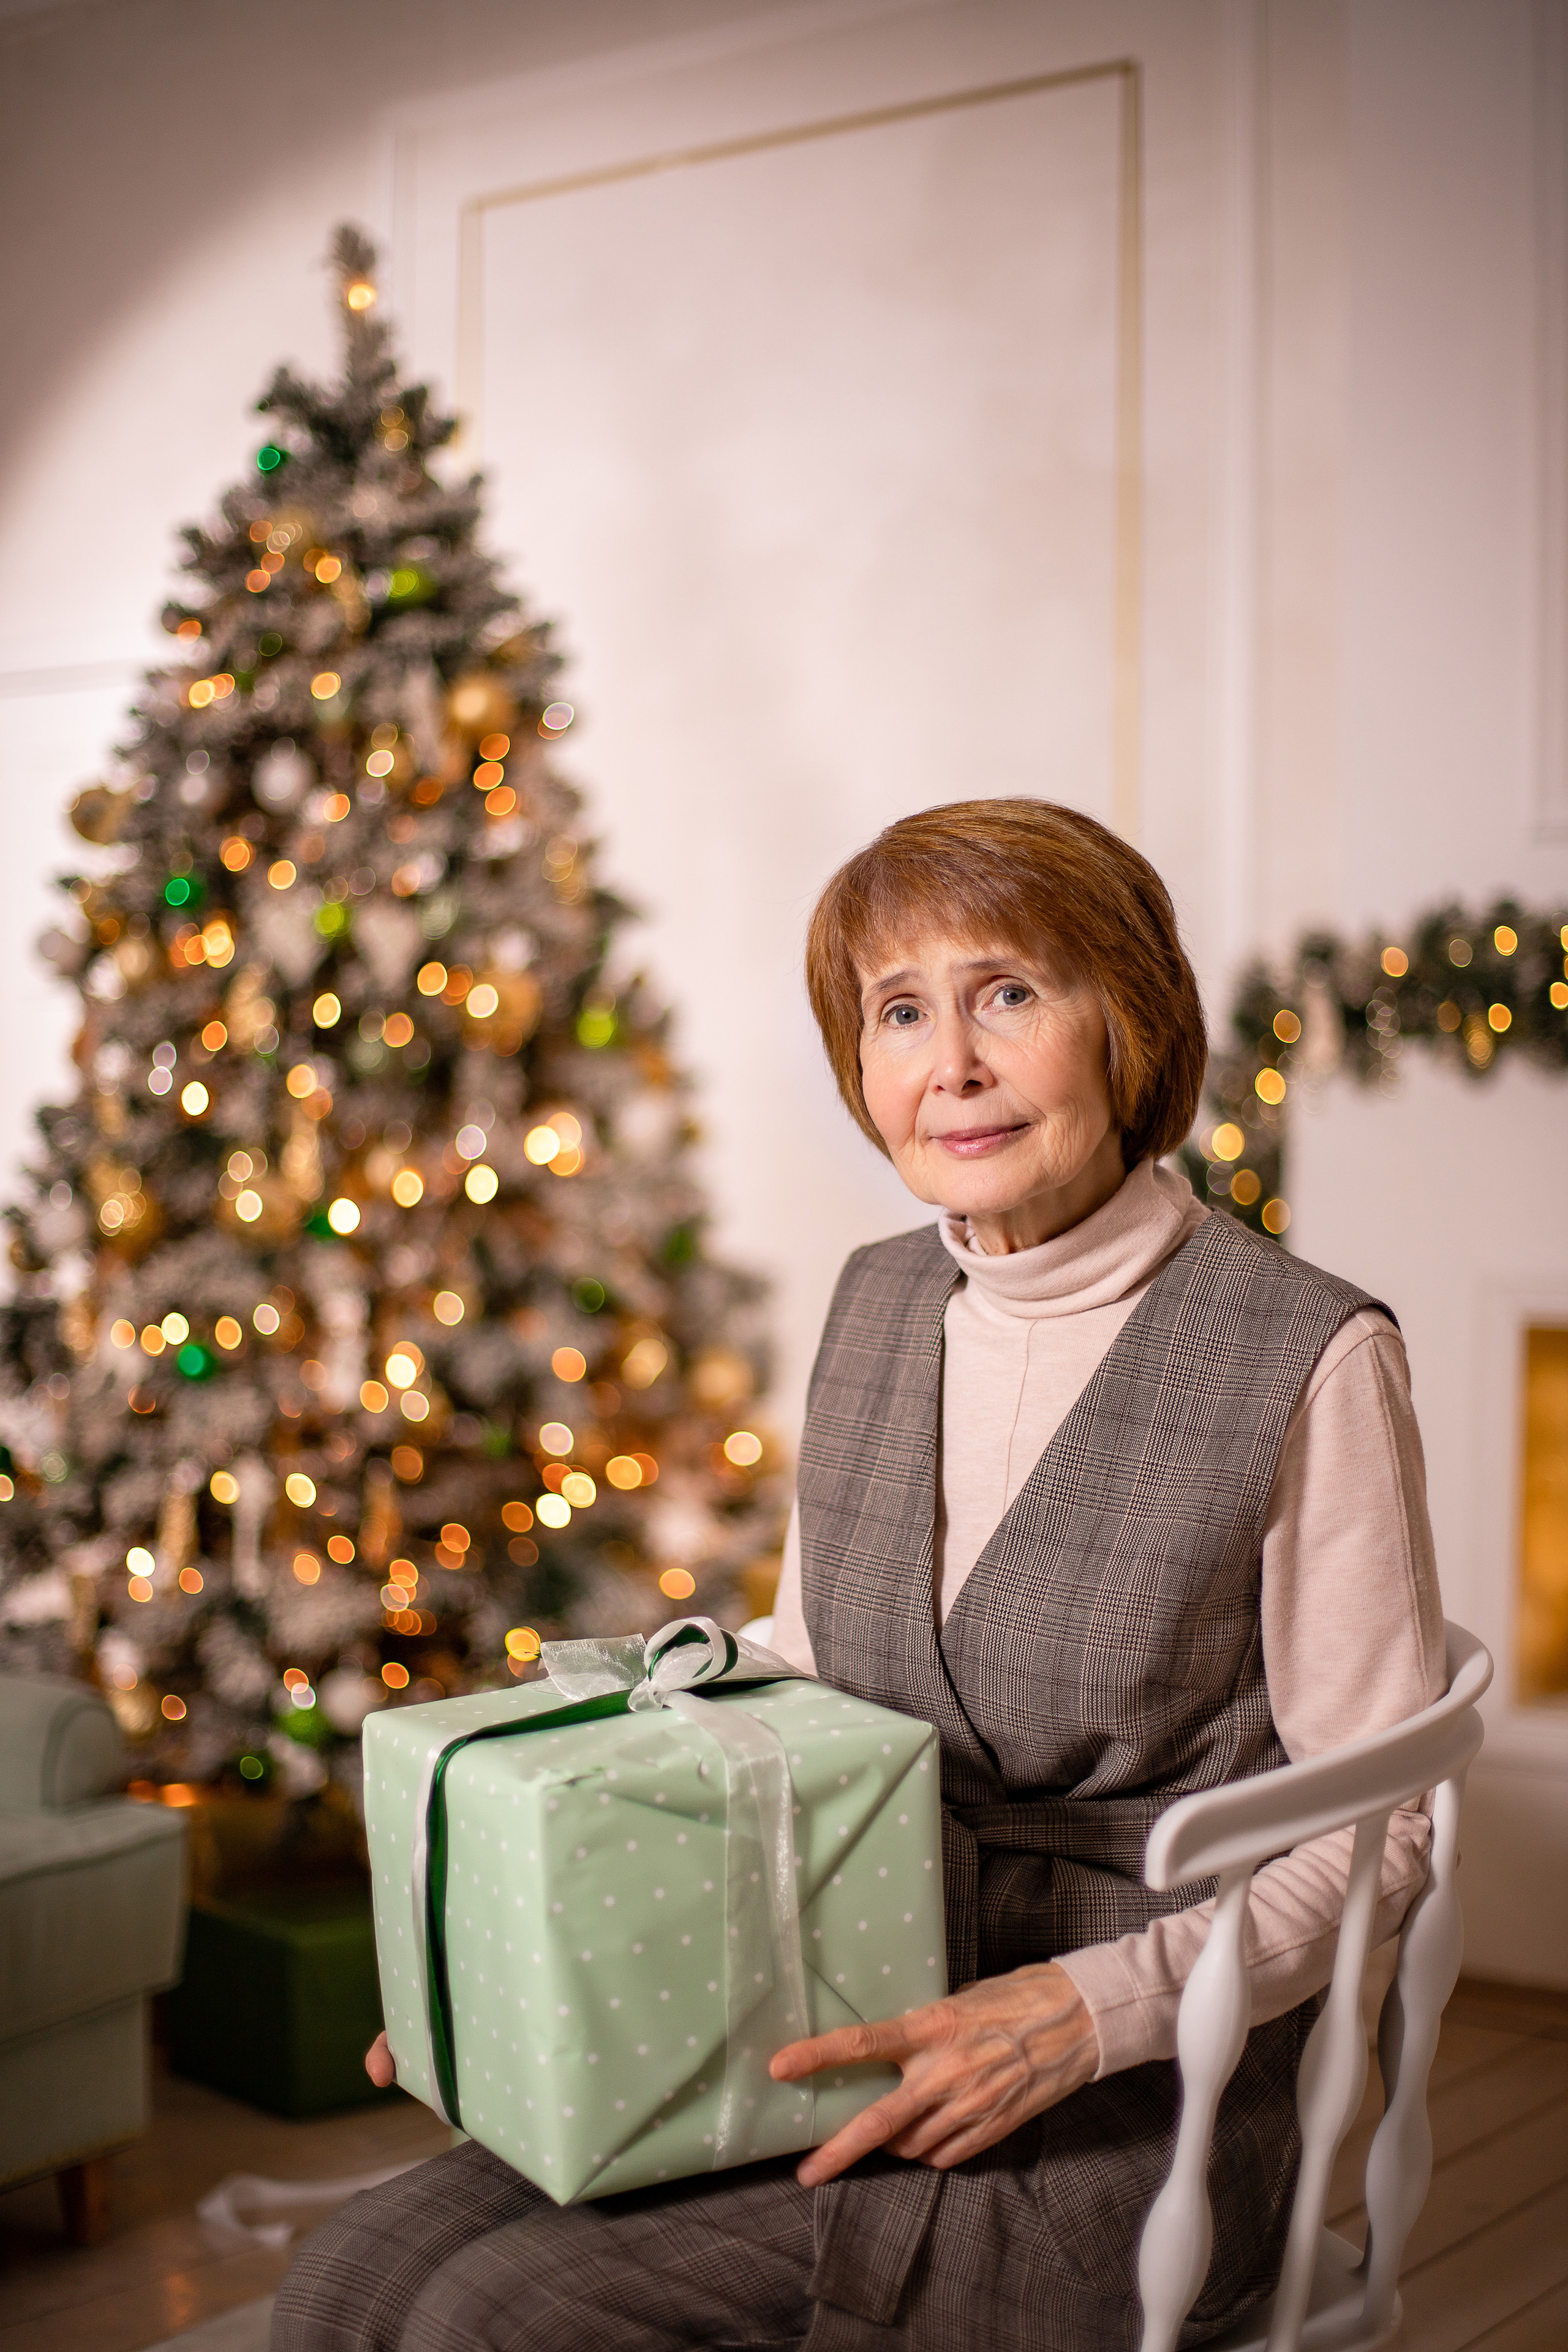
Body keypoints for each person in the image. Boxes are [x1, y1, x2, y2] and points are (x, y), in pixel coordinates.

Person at [274, 800, 1442, 2352]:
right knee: (354, 2275)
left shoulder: (1304, 1352)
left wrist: (1089, 2011)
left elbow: (1385, 1817)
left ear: (1131, 1024)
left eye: (1009, 994)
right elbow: (807, 1673)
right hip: (843, 1958)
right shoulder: (877, 1302)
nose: (949, 1063)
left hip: (1142, 2071)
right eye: (900, 1012)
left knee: (490, 2318)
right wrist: (536, 1931)